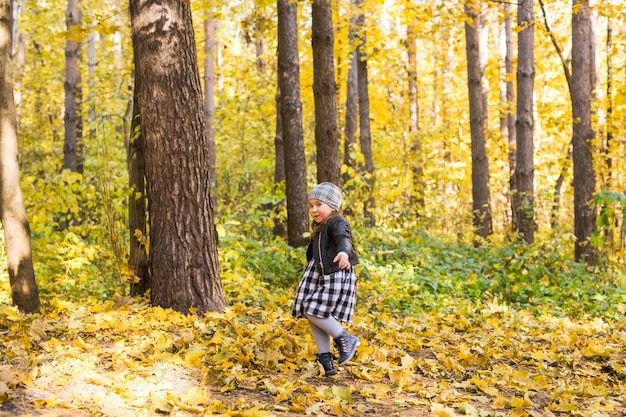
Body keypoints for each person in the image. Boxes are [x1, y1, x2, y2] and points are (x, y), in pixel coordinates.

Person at [292, 182, 360, 376]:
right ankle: (325, 359)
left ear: (332, 206)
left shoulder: (337, 222)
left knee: (314, 310)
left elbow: (344, 239)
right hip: (320, 274)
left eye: (318, 205)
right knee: (315, 313)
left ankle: (344, 338)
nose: (314, 209)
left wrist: (344, 254)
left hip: (335, 271)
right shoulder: (320, 227)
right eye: (311, 205)